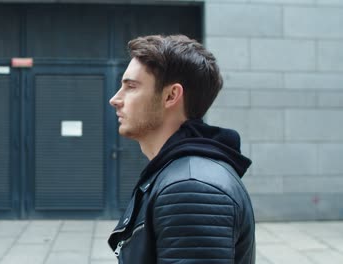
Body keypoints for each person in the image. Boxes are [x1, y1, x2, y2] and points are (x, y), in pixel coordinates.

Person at [107, 35, 255, 264]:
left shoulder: (190, 187)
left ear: (170, 96)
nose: (115, 99)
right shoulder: (181, 174)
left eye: (131, 87)